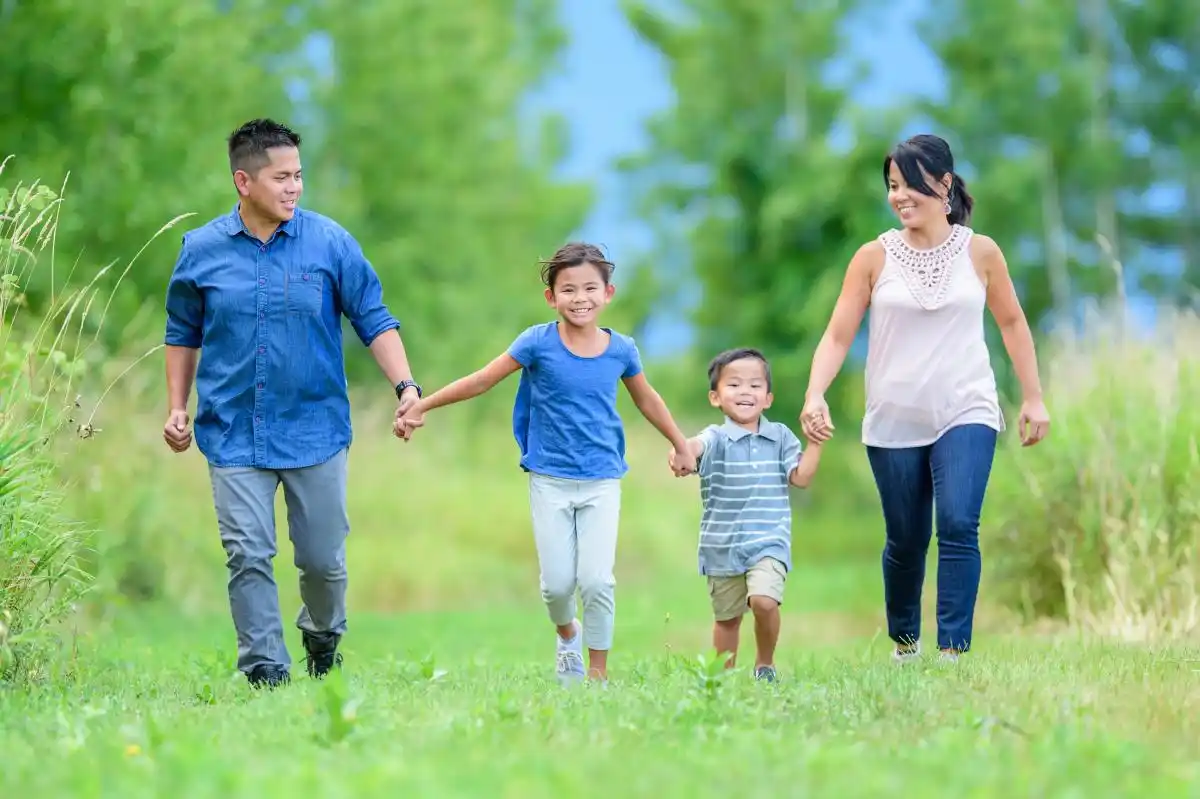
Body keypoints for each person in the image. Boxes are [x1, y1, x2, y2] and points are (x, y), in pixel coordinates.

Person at [162, 118, 423, 689]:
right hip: (232, 432)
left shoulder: (330, 242)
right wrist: (177, 405)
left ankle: (323, 639)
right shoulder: (201, 251)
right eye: (281, 177)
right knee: (248, 556)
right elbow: (182, 331)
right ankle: (265, 670)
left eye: (298, 176)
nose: (294, 187)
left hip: (315, 429)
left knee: (323, 562)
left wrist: (407, 388)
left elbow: (373, 318)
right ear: (243, 181)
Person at [396, 242, 697, 685]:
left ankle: (596, 675)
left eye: (591, 288)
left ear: (608, 293)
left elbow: (647, 399)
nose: (581, 298)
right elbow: (483, 379)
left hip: (602, 480)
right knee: (557, 586)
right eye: (569, 289)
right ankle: (566, 634)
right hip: (549, 479)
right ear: (551, 297)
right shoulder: (537, 342)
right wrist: (424, 405)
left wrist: (680, 444)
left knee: (597, 582)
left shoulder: (622, 350)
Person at [799, 133, 1050, 663]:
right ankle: (906, 643)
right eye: (893, 185)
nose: (900, 196)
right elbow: (839, 333)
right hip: (893, 416)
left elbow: (1011, 322)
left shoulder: (980, 252)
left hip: (967, 407)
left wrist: (1033, 397)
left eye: (911, 183)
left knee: (959, 523)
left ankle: (953, 651)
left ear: (945, 183)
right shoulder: (872, 257)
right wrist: (815, 393)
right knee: (906, 540)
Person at [669, 348, 822, 683]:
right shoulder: (716, 438)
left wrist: (815, 444)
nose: (745, 392)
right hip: (721, 545)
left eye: (755, 386)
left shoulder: (780, 436)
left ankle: (764, 665)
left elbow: (801, 477)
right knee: (727, 619)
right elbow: (695, 446)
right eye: (734, 385)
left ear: (767, 398)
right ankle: (722, 681)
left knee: (765, 601)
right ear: (715, 397)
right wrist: (682, 450)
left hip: (769, 540)